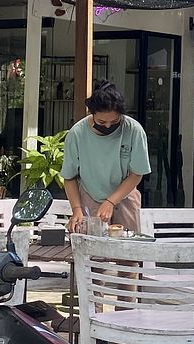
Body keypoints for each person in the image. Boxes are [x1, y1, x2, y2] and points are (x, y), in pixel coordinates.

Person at [63, 81, 151, 233]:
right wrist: (77, 209)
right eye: (102, 122)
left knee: (127, 245)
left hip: (125, 197)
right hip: (90, 198)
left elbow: (136, 174)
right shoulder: (77, 134)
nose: (108, 126)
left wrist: (111, 201)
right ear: (92, 113)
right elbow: (69, 177)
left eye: (115, 121)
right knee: (92, 245)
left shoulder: (133, 130)